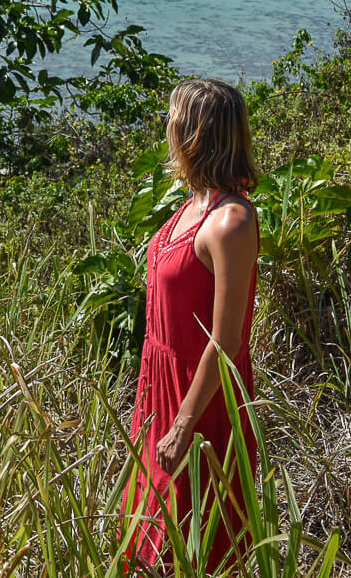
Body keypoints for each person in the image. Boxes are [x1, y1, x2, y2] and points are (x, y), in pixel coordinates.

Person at [126, 78, 261, 572]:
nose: (166, 127)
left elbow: (226, 341)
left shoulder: (231, 221)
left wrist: (183, 424)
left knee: (193, 541)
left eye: (172, 118)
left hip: (201, 402)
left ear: (193, 132)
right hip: (161, 391)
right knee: (147, 533)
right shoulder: (191, 205)